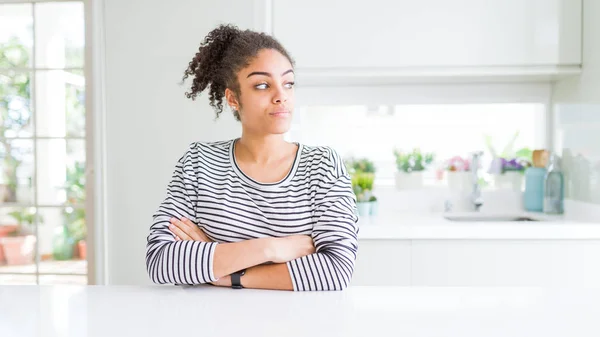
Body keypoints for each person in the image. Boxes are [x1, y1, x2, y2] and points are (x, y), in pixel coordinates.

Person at [145, 24, 359, 291]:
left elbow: (336, 271)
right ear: (233, 98)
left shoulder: (324, 167)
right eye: (262, 85)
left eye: (288, 83)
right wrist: (272, 249)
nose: (281, 96)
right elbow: (160, 260)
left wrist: (224, 272)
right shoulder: (199, 163)